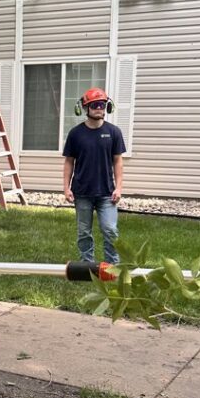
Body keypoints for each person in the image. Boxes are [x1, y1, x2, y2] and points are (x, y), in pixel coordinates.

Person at [62, 87, 125, 265]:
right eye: (96, 105)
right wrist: (66, 188)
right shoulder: (75, 134)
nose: (100, 108)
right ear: (85, 108)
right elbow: (69, 162)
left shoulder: (114, 132)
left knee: (110, 230)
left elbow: (118, 161)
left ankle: (113, 267)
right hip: (82, 192)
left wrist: (119, 187)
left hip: (107, 192)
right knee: (84, 232)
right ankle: (86, 265)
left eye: (103, 104)